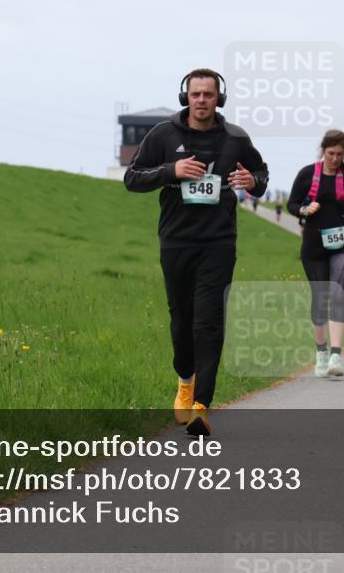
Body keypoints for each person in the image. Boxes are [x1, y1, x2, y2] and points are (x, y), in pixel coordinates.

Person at [124, 68, 269, 436]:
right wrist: (172, 170)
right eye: (196, 94)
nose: (202, 100)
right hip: (176, 240)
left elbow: (261, 174)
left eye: (208, 94)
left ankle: (201, 405)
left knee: (209, 321)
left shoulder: (235, 138)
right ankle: (185, 381)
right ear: (185, 97)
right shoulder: (163, 135)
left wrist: (252, 181)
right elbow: (132, 178)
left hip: (219, 242)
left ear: (219, 99)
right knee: (182, 320)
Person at [288, 129, 344, 379]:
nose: (335, 159)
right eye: (331, 153)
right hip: (315, 244)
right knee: (321, 297)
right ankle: (321, 351)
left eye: (340, 154)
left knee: (337, 292)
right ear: (323, 151)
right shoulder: (307, 174)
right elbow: (292, 204)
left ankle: (336, 355)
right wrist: (304, 209)